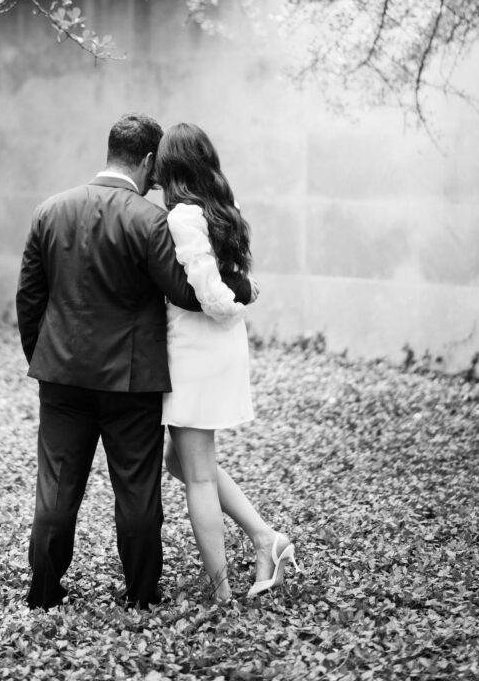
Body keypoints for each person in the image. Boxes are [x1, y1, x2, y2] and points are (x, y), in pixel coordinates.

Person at [16, 113, 251, 610]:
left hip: (61, 376)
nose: (157, 181)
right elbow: (185, 295)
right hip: (131, 380)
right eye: (156, 170)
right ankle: (142, 593)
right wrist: (236, 285)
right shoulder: (149, 221)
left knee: (56, 489)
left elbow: (29, 299)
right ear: (147, 160)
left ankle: (43, 591)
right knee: (138, 493)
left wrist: (43, 356)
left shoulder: (49, 211)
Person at [155, 122, 298, 602]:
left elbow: (214, 295)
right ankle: (266, 538)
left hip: (196, 350)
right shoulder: (224, 210)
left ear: (169, 166)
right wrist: (244, 297)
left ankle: (221, 595)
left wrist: (234, 302)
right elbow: (243, 280)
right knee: (181, 459)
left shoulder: (182, 216)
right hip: (221, 349)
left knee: (195, 473)